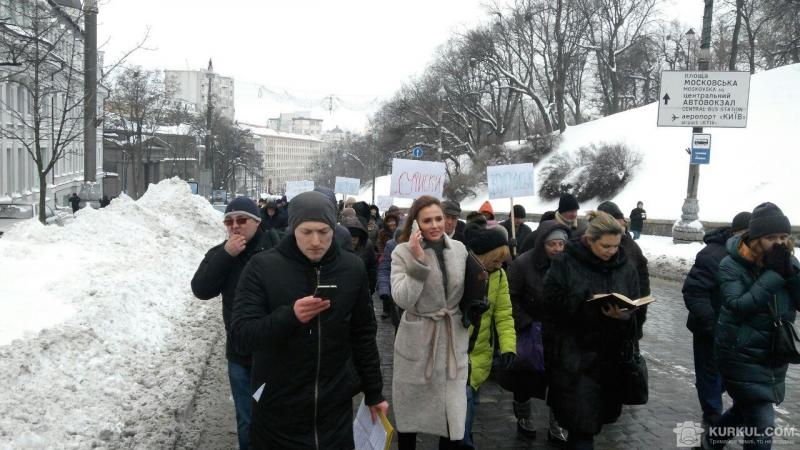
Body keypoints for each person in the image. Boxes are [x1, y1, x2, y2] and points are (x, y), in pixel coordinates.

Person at [231, 191, 387, 448]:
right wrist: (289, 315)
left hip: (334, 409)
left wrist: (374, 392)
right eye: (306, 232)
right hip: (278, 410)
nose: (315, 241)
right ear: (293, 229)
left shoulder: (352, 268)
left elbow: (363, 335)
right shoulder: (262, 267)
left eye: (323, 232)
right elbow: (241, 335)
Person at [542, 211, 642, 449]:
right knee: (581, 429)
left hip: (611, 359)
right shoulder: (566, 262)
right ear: (589, 240)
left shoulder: (625, 266)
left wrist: (625, 316)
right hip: (575, 357)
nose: (611, 251)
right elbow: (549, 302)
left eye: (616, 246)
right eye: (605, 246)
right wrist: (586, 303)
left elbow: (635, 303)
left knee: (596, 421)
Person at [706, 203, 799, 450]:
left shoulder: (784, 261)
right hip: (739, 353)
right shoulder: (731, 265)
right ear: (756, 239)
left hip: (772, 355)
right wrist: (775, 275)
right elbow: (739, 304)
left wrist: (793, 273)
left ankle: (709, 443)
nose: (778, 243)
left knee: (742, 410)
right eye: (771, 237)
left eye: (783, 237)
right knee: (761, 420)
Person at [191, 197, 280, 450]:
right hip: (240, 355)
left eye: (242, 220)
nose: (235, 226)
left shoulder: (277, 245)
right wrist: (226, 256)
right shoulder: (221, 252)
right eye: (229, 222)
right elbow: (201, 289)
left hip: (276, 352)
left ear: (256, 222)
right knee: (247, 420)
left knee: (278, 418)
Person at [391, 195, 470, 449]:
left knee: (452, 419)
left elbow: (466, 291)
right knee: (410, 416)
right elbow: (402, 298)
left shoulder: (459, 249)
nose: (436, 225)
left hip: (451, 340)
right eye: (428, 220)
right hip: (418, 341)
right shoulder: (402, 252)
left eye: (439, 218)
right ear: (416, 224)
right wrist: (418, 261)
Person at [682, 211, 752, 427]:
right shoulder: (711, 254)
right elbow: (694, 292)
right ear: (736, 232)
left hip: (737, 331)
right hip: (709, 327)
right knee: (709, 372)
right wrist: (712, 323)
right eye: (746, 234)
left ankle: (713, 397)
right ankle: (712, 413)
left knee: (724, 373)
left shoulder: (754, 257)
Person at [505, 220, 570, 444]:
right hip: (530, 330)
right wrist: (525, 322)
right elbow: (509, 297)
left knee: (560, 381)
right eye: (553, 244)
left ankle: (557, 422)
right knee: (525, 379)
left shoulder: (569, 265)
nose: (557, 249)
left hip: (560, 333)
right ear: (543, 243)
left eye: (561, 244)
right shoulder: (522, 264)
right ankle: (523, 416)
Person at [459, 226, 517, 449]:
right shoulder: (462, 271)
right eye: (497, 260)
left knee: (468, 412)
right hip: (458, 356)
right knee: (463, 416)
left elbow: (504, 315)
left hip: (480, 358)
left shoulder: (500, 276)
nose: (500, 265)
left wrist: (508, 347)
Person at [596, 201, 651, 337]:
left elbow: (643, 282)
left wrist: (637, 317)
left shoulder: (631, 246)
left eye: (617, 219)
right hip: (595, 325)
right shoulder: (589, 245)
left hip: (627, 322)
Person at [341, 216, 378, 294]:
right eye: (350, 236)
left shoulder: (367, 245)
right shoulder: (336, 246)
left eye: (356, 236)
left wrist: (370, 287)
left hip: (361, 289)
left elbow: (372, 268)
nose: (353, 239)